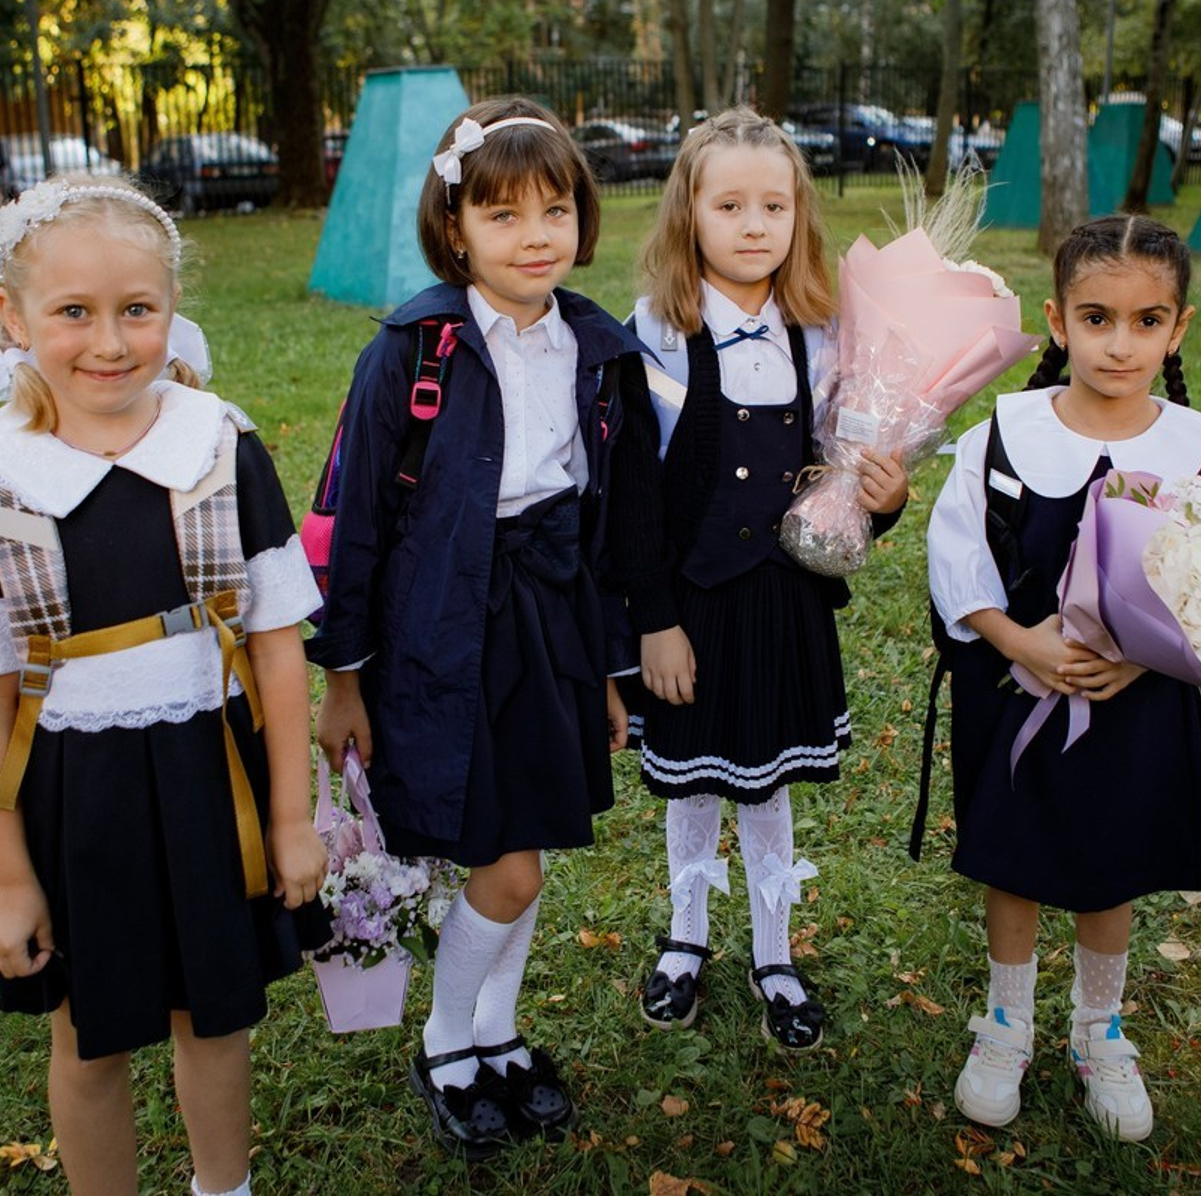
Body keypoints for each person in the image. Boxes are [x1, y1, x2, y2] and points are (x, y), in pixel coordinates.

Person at [308, 96, 635, 1157]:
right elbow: (355, 521)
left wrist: (605, 670)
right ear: (455, 228)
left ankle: (496, 1030)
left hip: (553, 624)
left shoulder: (597, 348)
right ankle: (447, 1037)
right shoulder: (412, 352)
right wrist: (343, 678)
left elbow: (601, 522)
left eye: (554, 209)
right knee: (507, 868)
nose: (534, 234)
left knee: (527, 839)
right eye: (503, 215)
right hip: (441, 630)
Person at [0, 175, 329, 1196]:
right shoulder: (8, 476)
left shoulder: (220, 446)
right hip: (67, 793)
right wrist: (10, 874)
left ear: (172, 310)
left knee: (211, 1013)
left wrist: (291, 817)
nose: (109, 340)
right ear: (12, 317)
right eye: (73, 312)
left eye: (136, 309)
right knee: (89, 1038)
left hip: (205, 775)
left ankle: (219, 1186)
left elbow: (274, 642)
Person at [927, 215, 1201, 1141]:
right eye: (1096, 318)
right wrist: (1019, 641)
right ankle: (1006, 1023)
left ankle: (1100, 1027)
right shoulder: (1000, 439)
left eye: (1147, 321)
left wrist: (1149, 649)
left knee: (1109, 856)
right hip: (1016, 696)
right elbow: (955, 560)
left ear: (1179, 327)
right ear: (1056, 319)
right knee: (1016, 849)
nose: (1121, 345)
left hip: (1138, 706)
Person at [609, 106, 908, 1052]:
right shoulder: (652, 333)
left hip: (781, 601)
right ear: (687, 213)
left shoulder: (822, 336)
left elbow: (837, 483)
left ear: (797, 216)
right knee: (695, 784)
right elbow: (633, 500)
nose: (752, 224)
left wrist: (884, 496)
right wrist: (653, 621)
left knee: (766, 784)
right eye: (729, 204)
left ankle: (774, 952)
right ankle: (686, 939)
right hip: (690, 607)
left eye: (773, 205)